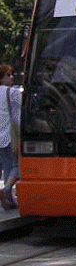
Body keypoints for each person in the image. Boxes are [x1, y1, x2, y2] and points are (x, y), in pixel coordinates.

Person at [0, 63, 21, 211]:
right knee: (18, 166)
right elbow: (21, 109)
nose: (11, 77)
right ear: (1, 78)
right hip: (11, 134)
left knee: (7, 167)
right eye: (8, 75)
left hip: (0, 136)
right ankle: (7, 189)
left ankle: (9, 201)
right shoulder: (12, 92)